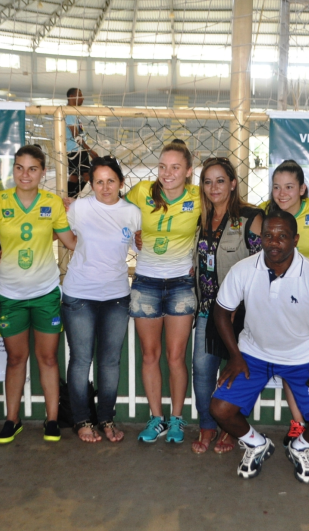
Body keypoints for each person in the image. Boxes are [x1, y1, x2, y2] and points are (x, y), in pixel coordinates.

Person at [210, 210, 309, 484]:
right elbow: (221, 311)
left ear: (295, 239)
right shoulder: (244, 269)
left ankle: (299, 448)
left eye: (282, 236)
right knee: (220, 409)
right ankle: (256, 444)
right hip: (253, 355)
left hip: (303, 359)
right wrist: (235, 356)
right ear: (260, 238)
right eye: (268, 236)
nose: (274, 242)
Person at [0, 145, 77, 444]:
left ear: (42, 172)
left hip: (45, 293)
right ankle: (12, 419)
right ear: (13, 171)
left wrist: (99, 219)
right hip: (9, 294)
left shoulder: (52, 202)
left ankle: (51, 420)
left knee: (48, 358)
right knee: (15, 359)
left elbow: (71, 241)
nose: (25, 174)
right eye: (19, 168)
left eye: (32, 168)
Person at [127, 139, 201, 444]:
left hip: (181, 284)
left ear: (188, 171)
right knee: (150, 355)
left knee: (175, 356)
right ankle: (156, 418)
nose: (167, 173)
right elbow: (117, 217)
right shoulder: (141, 192)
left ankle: (176, 419)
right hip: (145, 282)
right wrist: (134, 237)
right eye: (162, 166)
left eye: (175, 167)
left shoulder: (199, 197)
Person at [62, 155, 140, 443]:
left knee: (109, 362)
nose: (105, 187)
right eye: (99, 182)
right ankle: (83, 420)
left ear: (120, 182)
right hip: (79, 295)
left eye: (111, 181)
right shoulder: (79, 208)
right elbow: (63, 235)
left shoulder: (132, 213)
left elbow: (141, 248)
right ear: (90, 184)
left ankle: (106, 418)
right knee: (81, 360)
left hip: (117, 297)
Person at [261, 160, 309, 450]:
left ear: (302, 188)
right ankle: (298, 425)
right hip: (283, 301)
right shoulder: (265, 215)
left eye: (289, 187)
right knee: (292, 364)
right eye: (276, 187)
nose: (282, 193)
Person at [191, 156, 263, 454]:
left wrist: (243, 303)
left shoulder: (249, 217)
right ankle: (208, 425)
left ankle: (231, 428)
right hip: (208, 308)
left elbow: (263, 265)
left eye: (220, 180)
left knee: (236, 371)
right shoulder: (203, 218)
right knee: (202, 369)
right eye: (208, 181)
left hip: (240, 312)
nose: (214, 187)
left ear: (233, 183)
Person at [66, 88, 99, 198]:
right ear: (71, 97)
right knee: (88, 175)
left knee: (74, 176)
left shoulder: (73, 112)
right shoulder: (69, 112)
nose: (82, 98)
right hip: (77, 150)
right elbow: (75, 134)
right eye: (79, 95)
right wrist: (89, 150)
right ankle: (71, 196)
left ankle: (69, 197)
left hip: (74, 150)